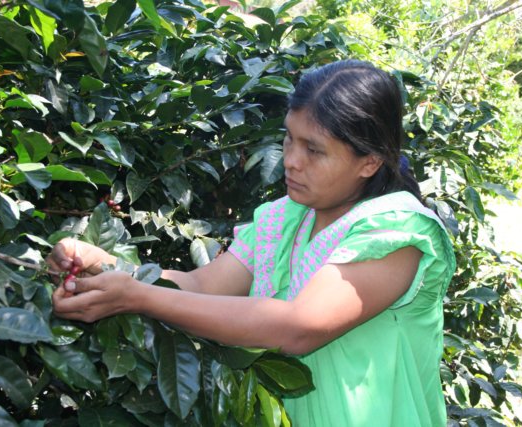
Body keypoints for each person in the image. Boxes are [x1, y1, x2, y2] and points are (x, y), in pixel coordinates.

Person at [48, 60, 456, 426]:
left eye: (314, 150)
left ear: (369, 162)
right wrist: (107, 266)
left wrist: (136, 297)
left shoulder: (398, 231)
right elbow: (203, 287)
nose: (292, 160)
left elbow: (299, 327)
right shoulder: (285, 217)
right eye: (290, 139)